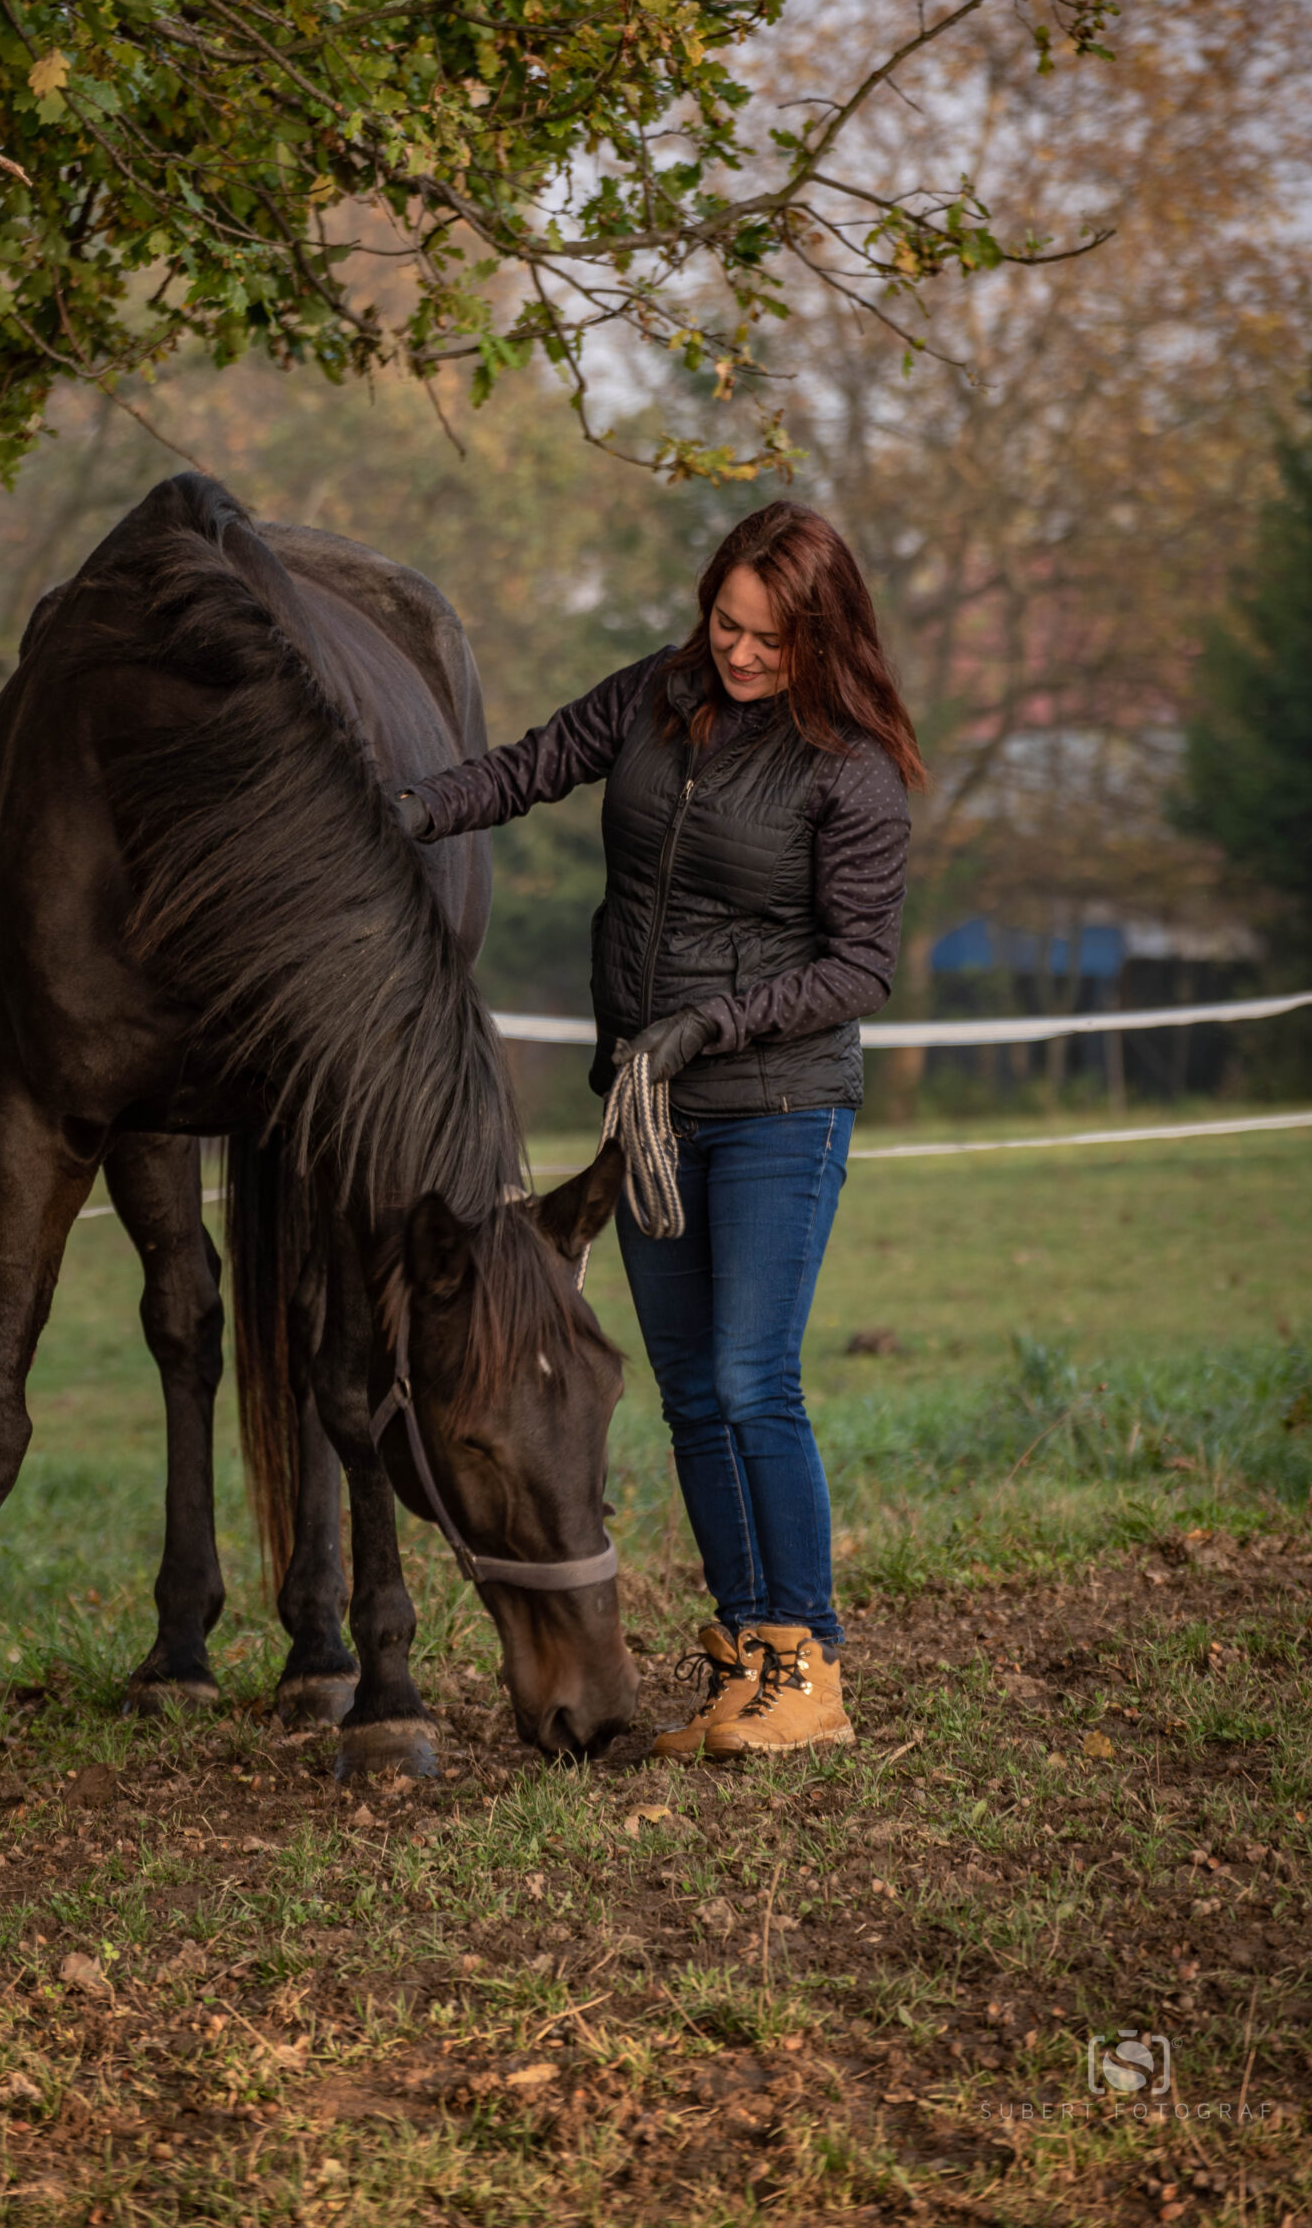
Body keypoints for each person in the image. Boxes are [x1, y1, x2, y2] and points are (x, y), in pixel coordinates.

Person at [395, 501, 922, 1757]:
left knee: (751, 1379)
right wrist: (394, 811)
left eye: (768, 640)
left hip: (774, 1106)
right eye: (724, 623)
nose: (737, 655)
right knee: (688, 1392)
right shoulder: (656, 694)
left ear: (824, 636)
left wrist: (703, 1027)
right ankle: (746, 1661)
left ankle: (808, 1658)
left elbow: (859, 967)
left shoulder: (849, 770)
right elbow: (524, 766)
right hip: (646, 1110)